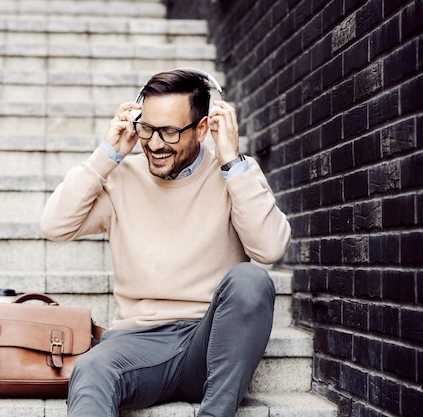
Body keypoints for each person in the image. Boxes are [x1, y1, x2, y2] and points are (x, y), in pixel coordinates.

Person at [40, 69, 291, 417]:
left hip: (210, 343)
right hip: (138, 345)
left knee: (250, 280)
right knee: (92, 368)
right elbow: (54, 225)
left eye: (170, 132)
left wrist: (232, 161)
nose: (155, 144)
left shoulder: (235, 175)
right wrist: (106, 155)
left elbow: (270, 249)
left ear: (202, 129)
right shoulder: (122, 178)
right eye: (148, 128)